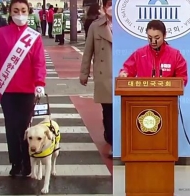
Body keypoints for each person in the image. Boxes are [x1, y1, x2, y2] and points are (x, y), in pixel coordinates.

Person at [0, 0, 46, 177]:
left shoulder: (33, 36)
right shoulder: (0, 34)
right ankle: (15, 162)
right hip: (8, 91)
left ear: (28, 12)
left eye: (23, 10)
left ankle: (27, 162)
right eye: (16, 10)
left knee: (26, 128)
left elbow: (39, 62)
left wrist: (40, 82)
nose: (20, 14)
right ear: (10, 12)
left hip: (27, 90)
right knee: (11, 127)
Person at [80, 0, 113, 157]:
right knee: (108, 110)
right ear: (104, 7)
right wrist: (84, 74)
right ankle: (112, 140)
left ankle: (117, 140)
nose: (111, 7)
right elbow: (88, 51)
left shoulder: (129, 26)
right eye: (109, 4)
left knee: (121, 110)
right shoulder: (95, 26)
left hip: (124, 75)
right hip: (104, 74)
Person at [118, 20, 188, 86]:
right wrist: (124, 74)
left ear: (164, 35)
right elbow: (127, 70)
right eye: (150, 37)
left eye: (157, 38)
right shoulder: (139, 53)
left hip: (167, 97)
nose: (153, 41)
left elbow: (182, 79)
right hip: (143, 97)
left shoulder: (175, 55)